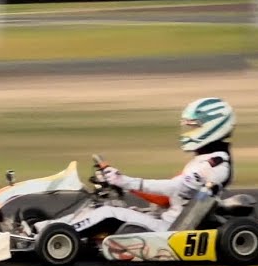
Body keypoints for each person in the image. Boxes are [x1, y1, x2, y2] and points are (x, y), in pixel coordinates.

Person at [34, 97, 236, 238]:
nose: (188, 132)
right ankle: (42, 228)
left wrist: (125, 181)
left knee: (108, 213)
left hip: (171, 230)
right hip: (164, 219)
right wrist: (123, 186)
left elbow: (174, 188)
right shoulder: (203, 160)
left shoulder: (216, 165)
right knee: (108, 206)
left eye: (194, 127)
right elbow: (166, 198)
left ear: (215, 126)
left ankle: (53, 236)